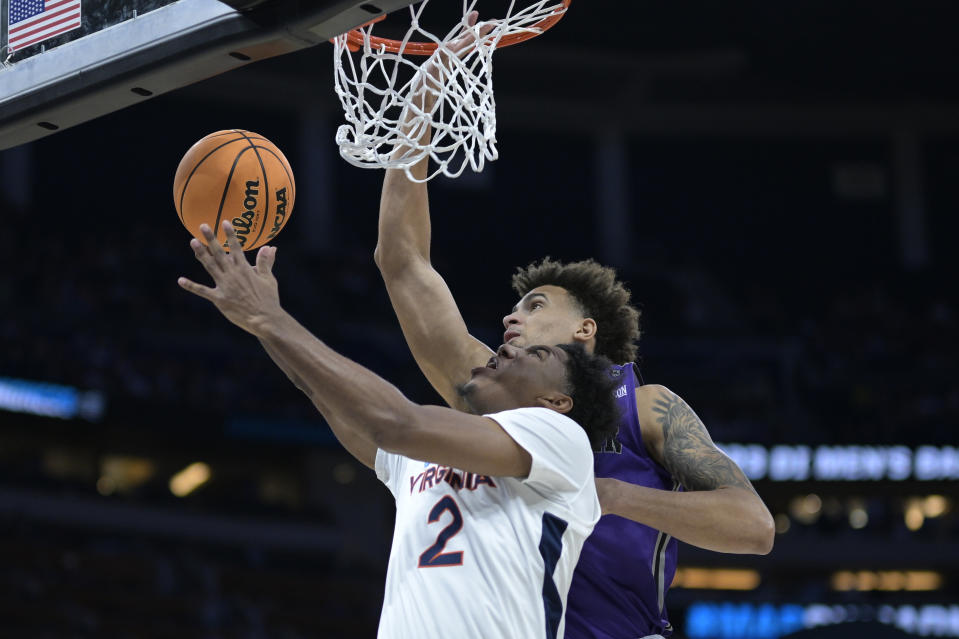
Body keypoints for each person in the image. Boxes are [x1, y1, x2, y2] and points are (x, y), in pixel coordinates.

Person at [373, 14, 776, 638]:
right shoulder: (489, 389)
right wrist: (423, 107)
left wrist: (606, 496)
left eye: (535, 305)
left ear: (586, 330)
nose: (511, 315)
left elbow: (754, 528)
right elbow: (402, 263)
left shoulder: (646, 407)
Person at [178, 221, 622, 639]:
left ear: (556, 401)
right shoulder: (436, 448)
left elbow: (394, 421)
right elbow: (321, 393)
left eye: (539, 357)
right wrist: (264, 319)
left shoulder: (560, 438)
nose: (510, 348)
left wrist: (270, 321)